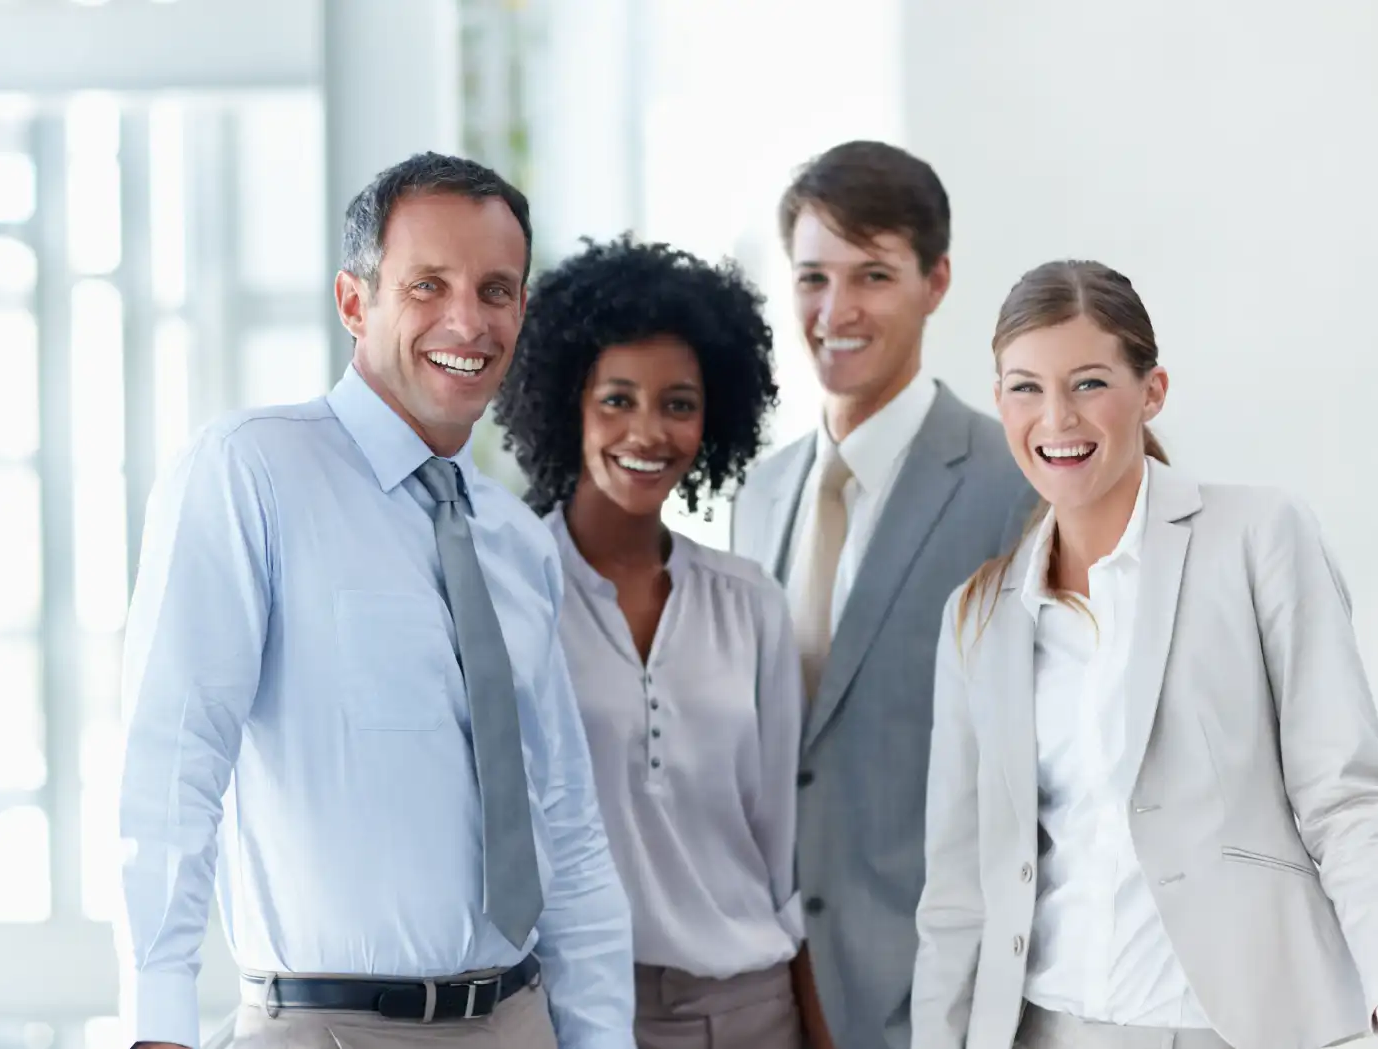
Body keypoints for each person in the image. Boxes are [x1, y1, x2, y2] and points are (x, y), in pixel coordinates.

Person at [114, 151, 636, 1049]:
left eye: (496, 289)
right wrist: (156, 1024)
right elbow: (173, 761)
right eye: (427, 284)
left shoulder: (513, 539)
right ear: (356, 302)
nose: (466, 321)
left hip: (520, 1020)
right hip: (326, 1026)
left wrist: (599, 1038)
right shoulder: (251, 471)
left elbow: (567, 824)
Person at [912, 260, 1378, 1049]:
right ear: (998, 402)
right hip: (1041, 1029)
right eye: (1024, 387)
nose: (1055, 417)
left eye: (1088, 383)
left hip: (1234, 1028)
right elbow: (958, 891)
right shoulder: (978, 615)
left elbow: (1344, 799)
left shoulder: (1257, 537)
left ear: (1150, 390)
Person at [727, 140, 1038, 1049]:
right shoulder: (762, 493)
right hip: (769, 986)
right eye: (812, 277)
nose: (836, 310)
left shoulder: (1010, 484)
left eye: (872, 275)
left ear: (935, 281)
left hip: (934, 990)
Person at [493, 234, 806, 1049]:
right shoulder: (511, 592)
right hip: (575, 1009)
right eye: (617, 399)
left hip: (746, 1008)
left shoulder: (750, 604)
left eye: (678, 403)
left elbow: (783, 853)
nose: (648, 431)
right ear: (569, 403)